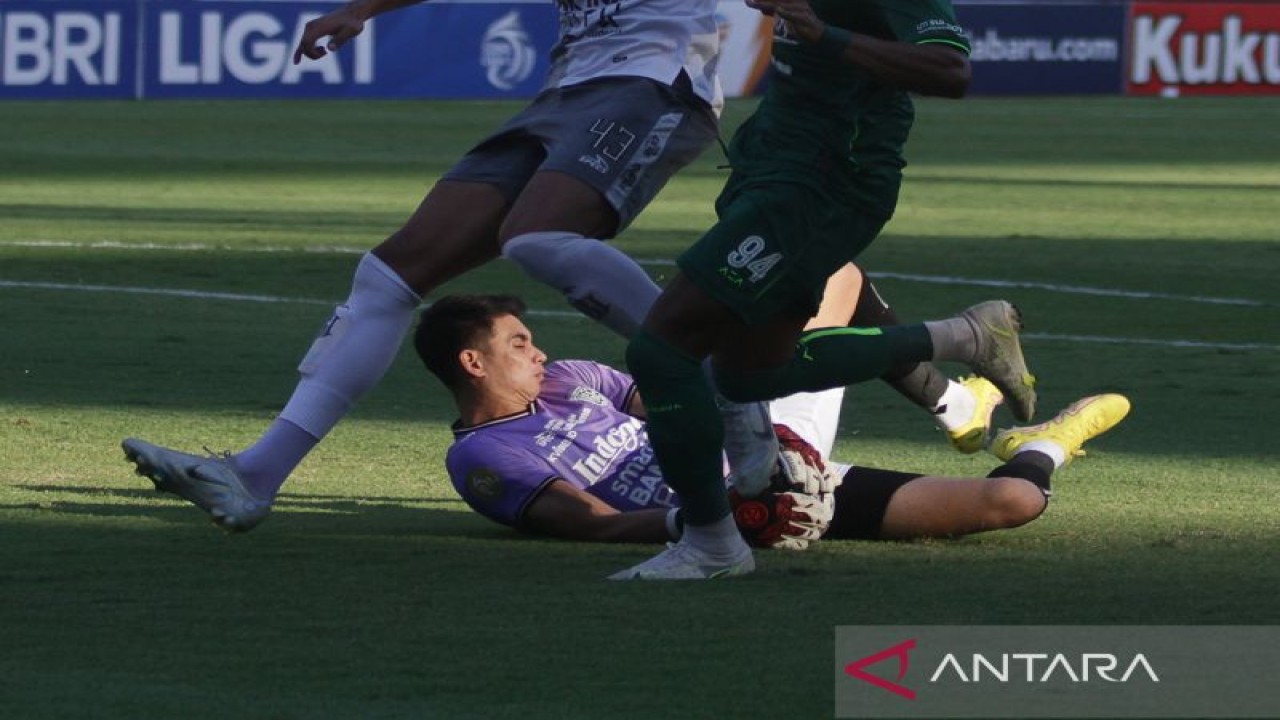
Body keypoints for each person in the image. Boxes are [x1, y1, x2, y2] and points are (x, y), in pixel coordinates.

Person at [119, 0, 997, 531]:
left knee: (538, 241)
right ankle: (253, 477)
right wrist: (362, 12)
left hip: (653, 86)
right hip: (567, 91)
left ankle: (724, 398)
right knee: (387, 276)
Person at [614, 0, 1049, 579]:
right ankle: (966, 336)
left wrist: (825, 34)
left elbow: (949, 71)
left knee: (662, 348)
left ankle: (712, 542)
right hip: (775, 171)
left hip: (817, 190)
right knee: (747, 376)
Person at [415, 294, 1129, 553]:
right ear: (473, 365)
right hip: (758, 505)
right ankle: (1042, 444)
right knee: (1014, 500)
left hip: (758, 442)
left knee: (834, 272)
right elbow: (595, 524)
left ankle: (957, 404)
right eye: (517, 344)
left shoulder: (572, 377)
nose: (537, 352)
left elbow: (676, 400)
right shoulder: (484, 459)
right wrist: (712, 518)